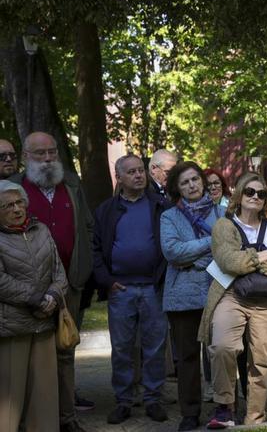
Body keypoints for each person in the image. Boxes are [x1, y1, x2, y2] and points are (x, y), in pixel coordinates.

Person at [10, 131, 94, 432]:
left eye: (52, 152)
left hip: (68, 283)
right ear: (26, 156)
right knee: (27, 356)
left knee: (65, 352)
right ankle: (24, 420)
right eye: (40, 153)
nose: (47, 159)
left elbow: (87, 227)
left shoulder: (71, 183)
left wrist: (84, 270)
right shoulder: (13, 188)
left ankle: (67, 418)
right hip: (25, 291)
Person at [200, 173, 267, 428]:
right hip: (231, 295)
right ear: (239, 195)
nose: (255, 197)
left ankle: (255, 418)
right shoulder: (224, 226)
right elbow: (227, 260)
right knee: (221, 347)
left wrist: (249, 261)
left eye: (261, 194)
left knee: (262, 360)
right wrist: (263, 257)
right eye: (250, 192)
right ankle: (225, 408)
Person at [92, 154, 172, 424]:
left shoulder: (161, 205)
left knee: (155, 348)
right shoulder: (106, 210)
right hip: (121, 289)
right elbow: (95, 249)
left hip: (153, 288)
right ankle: (124, 401)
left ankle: (153, 399)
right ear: (119, 177)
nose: (139, 175)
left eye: (141, 170)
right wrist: (106, 280)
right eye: (132, 172)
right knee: (122, 348)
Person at [159, 162, 225, 431]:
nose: (192, 185)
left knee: (220, 353)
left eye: (195, 179)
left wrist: (192, 256)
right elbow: (172, 252)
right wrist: (210, 244)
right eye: (185, 182)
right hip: (182, 297)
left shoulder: (222, 214)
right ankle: (189, 412)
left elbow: (229, 248)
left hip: (216, 292)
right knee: (186, 358)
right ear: (177, 188)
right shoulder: (169, 217)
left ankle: (225, 406)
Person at [0, 180, 68, 432]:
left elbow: (59, 271)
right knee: (9, 399)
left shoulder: (41, 230)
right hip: (12, 326)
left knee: (45, 395)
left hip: (44, 323)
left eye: (19, 203)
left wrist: (53, 295)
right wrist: (35, 298)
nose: (17, 209)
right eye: (8, 205)